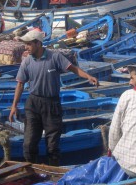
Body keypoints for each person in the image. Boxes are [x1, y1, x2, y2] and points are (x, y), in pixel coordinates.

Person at [9, 30, 99, 165]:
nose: (26, 47)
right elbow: (20, 84)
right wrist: (14, 106)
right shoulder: (26, 62)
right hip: (33, 103)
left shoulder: (55, 57)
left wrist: (88, 77)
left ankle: (52, 173)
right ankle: (32, 171)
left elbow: (73, 68)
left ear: (38, 43)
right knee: (28, 144)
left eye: (28, 44)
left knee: (52, 146)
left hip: (51, 104)